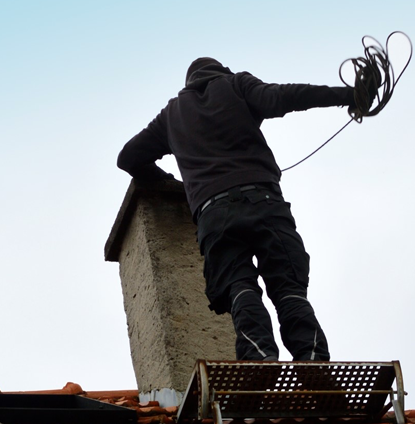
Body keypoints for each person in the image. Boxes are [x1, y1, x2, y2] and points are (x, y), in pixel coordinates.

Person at [117, 57, 366, 361]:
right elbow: (285, 96)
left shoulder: (172, 115)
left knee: (240, 289)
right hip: (263, 203)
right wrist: (348, 95)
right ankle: (313, 363)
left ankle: (259, 361)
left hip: (213, 215)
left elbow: (128, 158)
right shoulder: (236, 84)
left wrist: (172, 183)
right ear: (222, 71)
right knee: (288, 289)